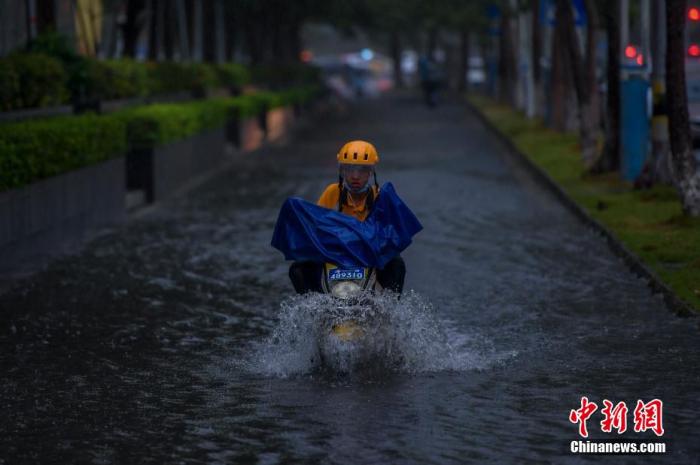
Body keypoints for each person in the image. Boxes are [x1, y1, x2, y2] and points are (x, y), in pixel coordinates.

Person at [289, 140, 406, 295]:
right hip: (335, 252)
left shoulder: (380, 196)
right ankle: (314, 302)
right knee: (298, 268)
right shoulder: (332, 192)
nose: (355, 176)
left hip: (369, 253)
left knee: (397, 264)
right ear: (342, 171)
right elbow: (315, 222)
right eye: (350, 169)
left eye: (362, 170)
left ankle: (391, 304)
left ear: (371, 172)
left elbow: (391, 231)